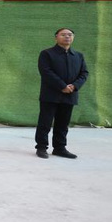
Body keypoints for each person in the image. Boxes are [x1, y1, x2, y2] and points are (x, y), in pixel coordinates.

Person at [35, 27, 88, 159]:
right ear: (56, 38)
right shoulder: (47, 54)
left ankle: (59, 148)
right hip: (50, 94)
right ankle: (41, 147)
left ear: (73, 37)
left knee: (63, 124)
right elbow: (46, 72)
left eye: (70, 34)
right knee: (45, 122)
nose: (67, 37)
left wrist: (74, 86)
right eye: (63, 34)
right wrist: (62, 86)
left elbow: (84, 73)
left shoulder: (78, 56)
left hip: (70, 94)